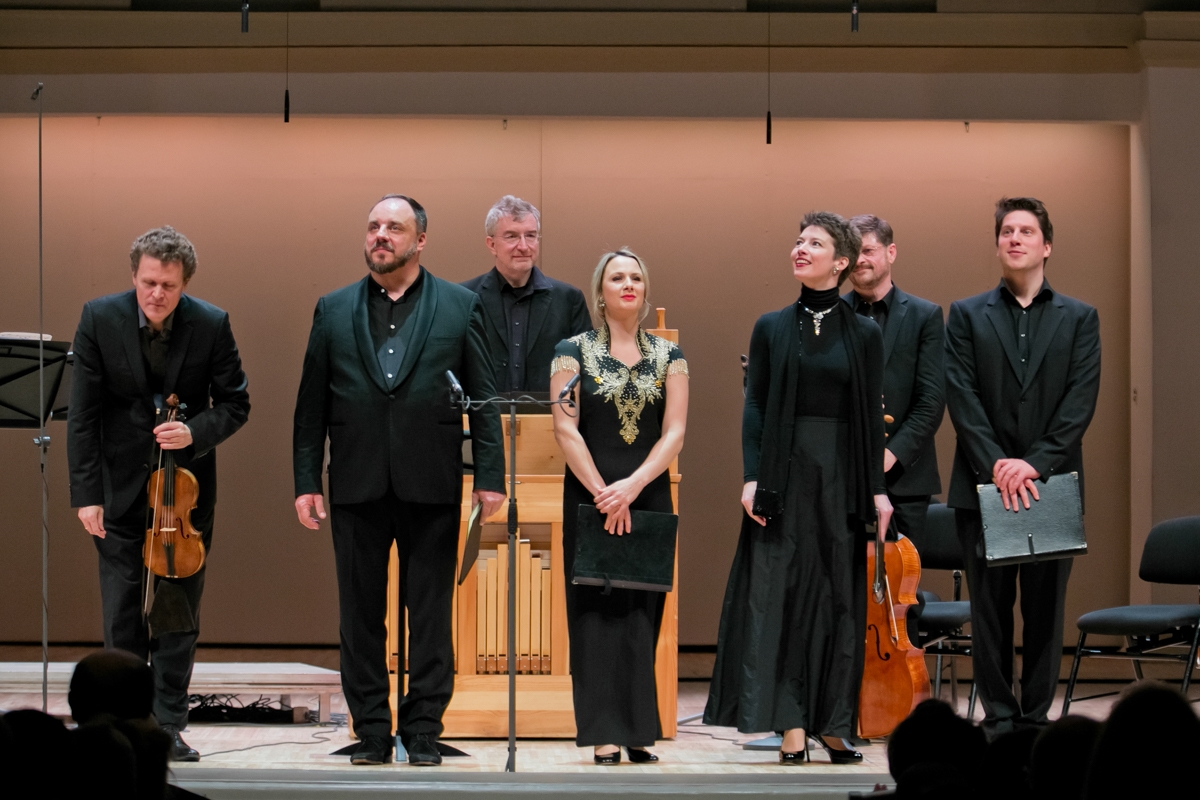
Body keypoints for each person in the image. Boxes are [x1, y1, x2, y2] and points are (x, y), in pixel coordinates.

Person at [292, 194, 506, 767]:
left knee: (430, 615)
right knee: (359, 617)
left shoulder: (460, 306)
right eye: (373, 226)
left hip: (431, 481)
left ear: (420, 240)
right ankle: (370, 731)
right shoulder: (332, 308)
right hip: (356, 482)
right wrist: (306, 480)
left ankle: (424, 729)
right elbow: (310, 405)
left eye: (394, 227)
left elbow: (483, 400)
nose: (380, 235)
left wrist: (491, 475)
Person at [705, 212, 891, 764]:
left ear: (841, 262)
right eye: (799, 240)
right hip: (783, 475)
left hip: (840, 478)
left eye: (815, 242)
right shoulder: (771, 326)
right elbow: (756, 406)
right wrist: (751, 477)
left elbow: (870, 416)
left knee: (837, 601)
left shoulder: (865, 333)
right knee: (781, 597)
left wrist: (877, 489)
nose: (801, 248)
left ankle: (833, 724)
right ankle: (790, 724)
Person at [67, 226, 251, 761]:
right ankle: (121, 725)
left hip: (183, 496)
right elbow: (83, 415)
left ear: (184, 283)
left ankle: (167, 725)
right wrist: (86, 494)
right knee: (122, 614)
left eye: (168, 286)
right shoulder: (99, 318)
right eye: (148, 282)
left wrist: (194, 432)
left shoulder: (211, 323)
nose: (157, 294)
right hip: (119, 488)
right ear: (134, 275)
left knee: (176, 615)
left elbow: (235, 403)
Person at [944, 197, 1101, 739]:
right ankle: (1000, 719)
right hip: (982, 483)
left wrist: (1033, 464)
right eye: (1006, 231)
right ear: (998, 245)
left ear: (1046, 245)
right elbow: (962, 396)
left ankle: (1035, 718)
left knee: (1045, 610)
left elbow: (1080, 400)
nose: (1014, 238)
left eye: (1026, 231)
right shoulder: (966, 314)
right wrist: (998, 464)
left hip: (1050, 483)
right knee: (989, 612)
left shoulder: (1080, 317)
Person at [549, 248, 689, 764]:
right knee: (593, 614)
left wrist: (631, 487)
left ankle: (637, 732)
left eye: (635, 277)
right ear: (600, 292)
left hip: (647, 494)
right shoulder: (570, 352)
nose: (628, 284)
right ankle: (604, 733)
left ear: (644, 290)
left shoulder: (670, 356)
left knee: (641, 613)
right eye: (617, 277)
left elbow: (674, 431)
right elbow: (565, 428)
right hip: (591, 496)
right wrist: (603, 492)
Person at [845, 215, 944, 546]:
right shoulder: (832, 315)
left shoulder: (925, 316)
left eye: (868, 250)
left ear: (891, 252)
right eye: (852, 251)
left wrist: (888, 455)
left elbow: (931, 401)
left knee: (902, 578)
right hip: (843, 478)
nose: (860, 259)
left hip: (904, 479)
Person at [462, 195, 591, 394]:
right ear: (491, 244)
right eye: (511, 236)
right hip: (482, 412)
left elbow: (586, 372)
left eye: (530, 235)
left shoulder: (569, 300)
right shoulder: (465, 299)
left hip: (550, 413)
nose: (523, 246)